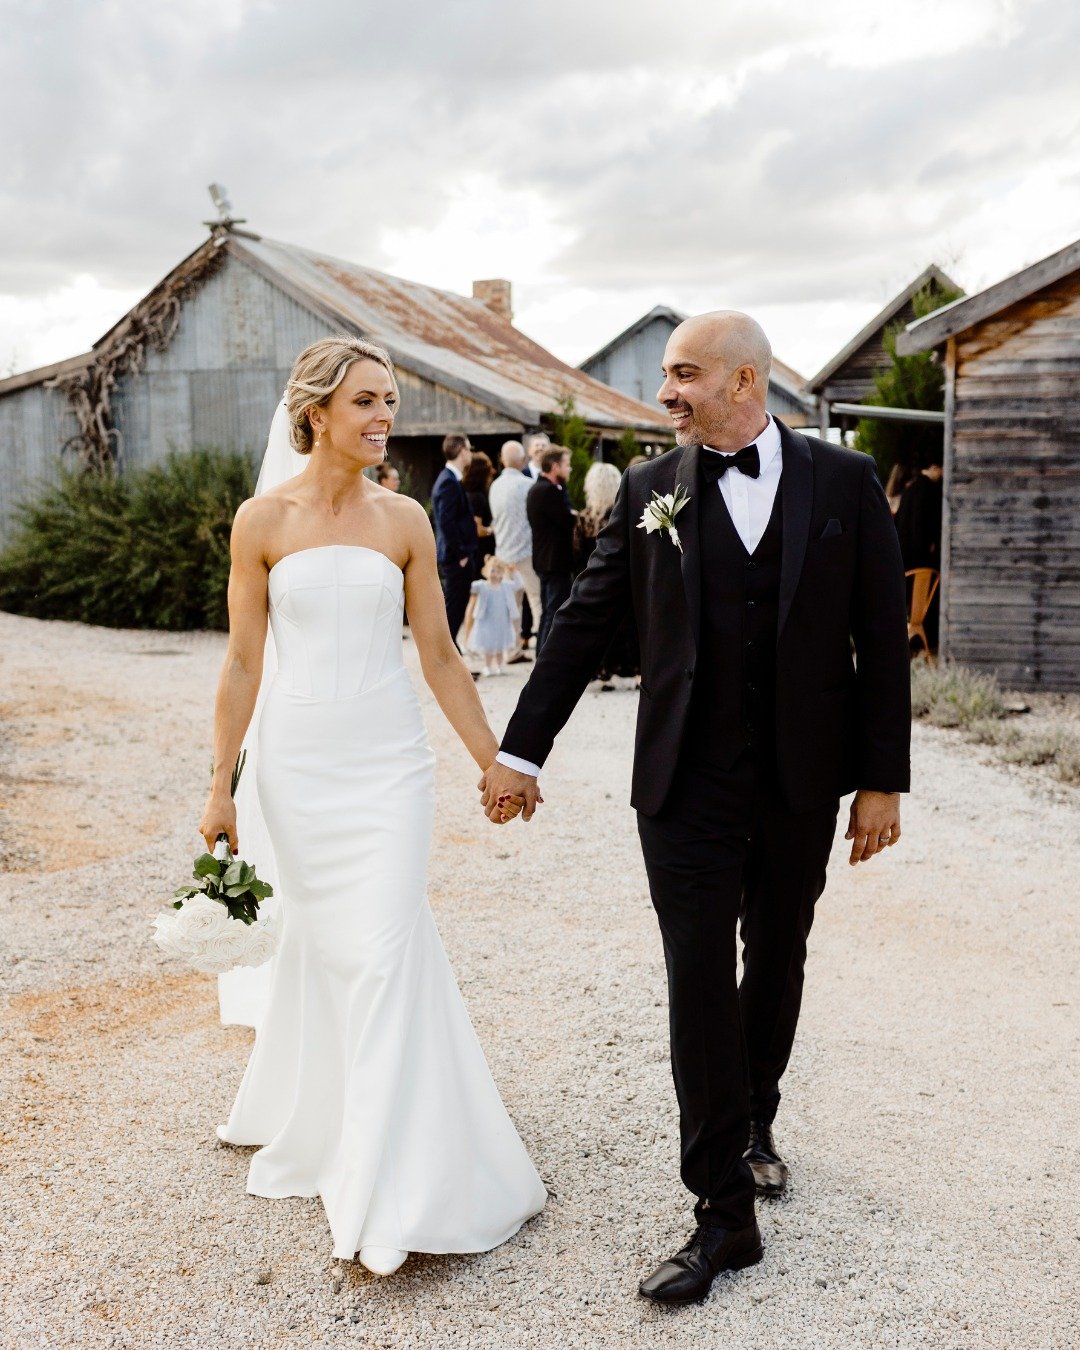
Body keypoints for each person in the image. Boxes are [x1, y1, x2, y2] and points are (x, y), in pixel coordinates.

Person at [481, 311, 910, 1305]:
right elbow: (583, 627)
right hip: (684, 785)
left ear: (743, 381)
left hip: (804, 781)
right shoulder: (646, 493)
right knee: (697, 981)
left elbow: (881, 643)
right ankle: (722, 1212)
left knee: (780, 954)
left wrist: (882, 780)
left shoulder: (842, 487)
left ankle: (756, 1112)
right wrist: (518, 752)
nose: (666, 392)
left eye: (683, 374)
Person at [202, 337, 545, 1276]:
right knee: (333, 946)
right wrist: (220, 784)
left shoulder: (404, 519)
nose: (384, 416)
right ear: (315, 413)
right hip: (299, 765)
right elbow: (241, 661)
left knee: (388, 946)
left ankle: (393, 1182)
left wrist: (496, 762)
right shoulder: (260, 522)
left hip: (389, 765)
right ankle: (332, 1116)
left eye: (389, 400)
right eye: (366, 401)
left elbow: (438, 655)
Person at [575, 461, 640, 689]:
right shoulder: (620, 514)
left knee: (602, 625)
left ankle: (605, 672)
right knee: (629, 624)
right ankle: (634, 671)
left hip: (592, 576)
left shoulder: (583, 518)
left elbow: (577, 552)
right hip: (623, 576)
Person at [488, 440, 540, 663]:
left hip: (503, 552)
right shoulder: (529, 485)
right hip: (527, 551)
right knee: (537, 600)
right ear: (522, 461)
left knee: (511, 605)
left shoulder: (494, 486)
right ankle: (544, 647)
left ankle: (512, 649)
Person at [526, 445, 575, 653]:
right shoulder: (547, 491)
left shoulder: (541, 489)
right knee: (554, 611)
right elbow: (566, 521)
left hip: (545, 559)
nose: (570, 469)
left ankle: (542, 655)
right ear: (555, 466)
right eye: (566, 464)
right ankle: (545, 656)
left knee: (549, 610)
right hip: (553, 561)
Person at [431, 433, 478, 651]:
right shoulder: (448, 482)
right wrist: (460, 554)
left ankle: (451, 653)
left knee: (457, 607)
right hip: (454, 556)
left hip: (458, 554)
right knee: (454, 608)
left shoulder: (452, 479)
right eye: (469, 449)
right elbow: (445, 520)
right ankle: (447, 654)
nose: (471, 453)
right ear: (461, 451)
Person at [463, 556, 523, 677]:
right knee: (488, 646)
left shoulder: (506, 586)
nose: (495, 574)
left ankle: (500, 666)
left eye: (498, 571)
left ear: (502, 574)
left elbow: (519, 585)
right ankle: (487, 666)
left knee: (500, 645)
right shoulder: (483, 586)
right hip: (486, 622)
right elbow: (471, 587)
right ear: (486, 571)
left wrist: (514, 572)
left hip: (501, 621)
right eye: (492, 570)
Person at [462, 449, 496, 577]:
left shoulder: (465, 493)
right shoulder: (477, 497)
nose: (492, 472)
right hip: (481, 552)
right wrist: (492, 530)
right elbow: (478, 530)